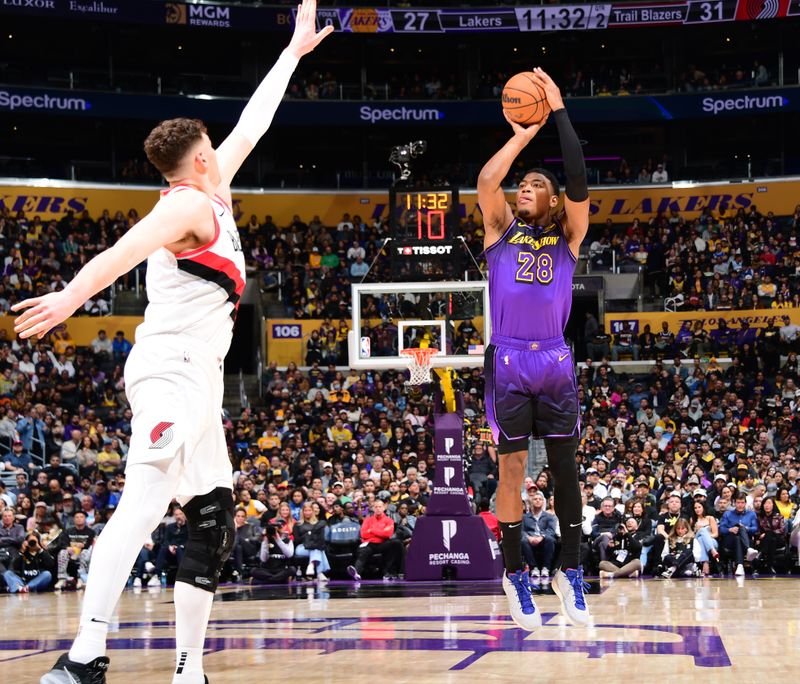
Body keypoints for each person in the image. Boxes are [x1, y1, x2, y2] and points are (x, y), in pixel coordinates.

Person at [16, 5, 333, 682]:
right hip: (169, 371)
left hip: (200, 380)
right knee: (144, 499)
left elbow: (255, 120)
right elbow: (121, 252)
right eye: (213, 143)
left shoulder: (210, 188)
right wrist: (71, 296)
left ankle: (190, 668)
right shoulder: (184, 206)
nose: (224, 145)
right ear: (199, 155)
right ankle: (82, 659)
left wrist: (293, 54)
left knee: (214, 516)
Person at [478, 67, 590, 630]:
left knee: (566, 469)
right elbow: (485, 182)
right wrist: (522, 133)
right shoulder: (499, 230)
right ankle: (515, 574)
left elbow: (577, 179)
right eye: (523, 184)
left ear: (552, 201)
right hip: (508, 358)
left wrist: (560, 110)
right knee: (513, 469)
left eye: (535, 185)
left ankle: (569, 571)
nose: (525, 187)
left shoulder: (569, 235)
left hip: (554, 356)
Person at [347, 499, 403, 580]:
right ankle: (356, 573)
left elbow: (387, 534)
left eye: (380, 507)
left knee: (396, 543)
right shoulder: (367, 520)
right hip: (370, 544)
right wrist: (379, 532)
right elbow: (363, 534)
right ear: (373, 509)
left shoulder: (389, 520)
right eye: (376, 507)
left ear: (384, 508)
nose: (378, 509)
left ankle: (389, 573)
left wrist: (372, 530)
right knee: (363, 550)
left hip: (382, 544)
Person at [719, 493, 759, 576]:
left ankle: (739, 566)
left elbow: (755, 529)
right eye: (738, 502)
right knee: (736, 535)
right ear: (734, 503)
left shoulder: (751, 514)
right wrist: (730, 529)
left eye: (742, 503)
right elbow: (721, 529)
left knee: (740, 532)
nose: (740, 505)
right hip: (730, 540)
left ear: (745, 503)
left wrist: (746, 528)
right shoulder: (727, 514)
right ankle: (748, 549)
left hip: (746, 539)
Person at [521, 491, 558, 581]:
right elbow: (521, 531)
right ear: (531, 502)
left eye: (540, 499)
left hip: (543, 539)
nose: (537, 501)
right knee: (523, 541)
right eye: (535, 499)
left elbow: (551, 530)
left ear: (543, 502)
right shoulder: (525, 517)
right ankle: (534, 568)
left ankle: (546, 568)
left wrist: (541, 537)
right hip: (530, 539)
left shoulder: (549, 516)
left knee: (550, 539)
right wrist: (529, 537)